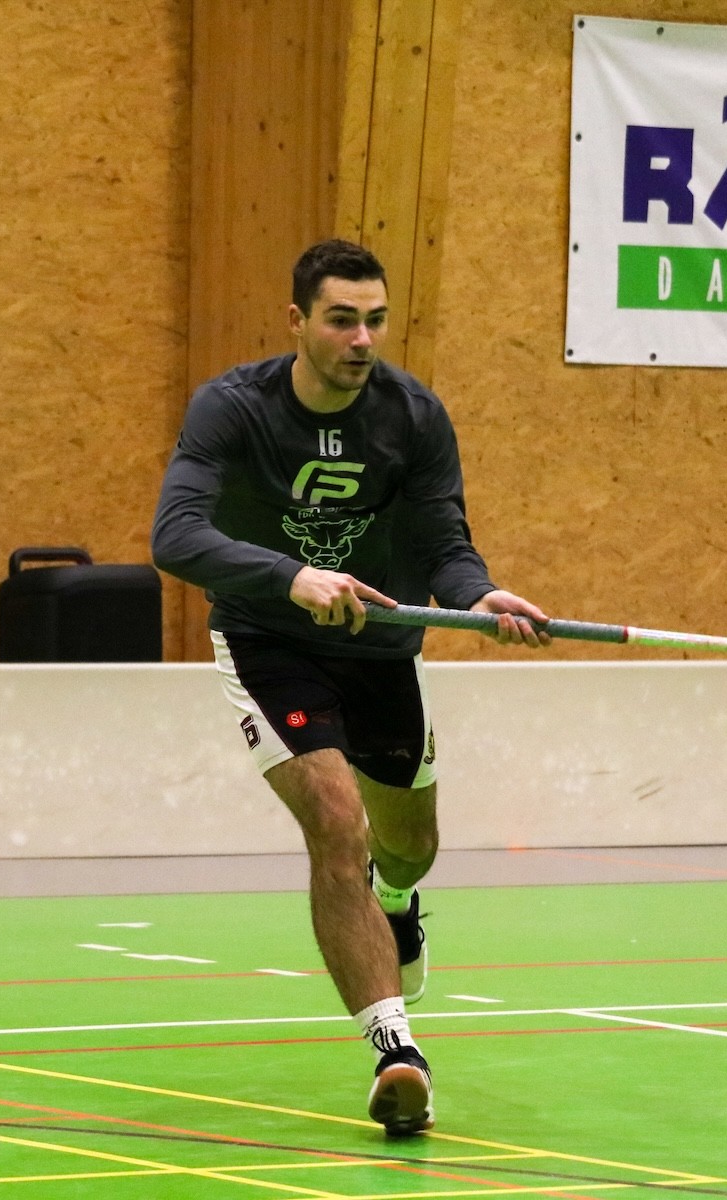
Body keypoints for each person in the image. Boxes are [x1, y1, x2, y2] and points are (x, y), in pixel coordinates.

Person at [151, 239, 548, 1136]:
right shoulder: (232, 409)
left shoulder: (414, 417)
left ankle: (398, 904)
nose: (362, 338)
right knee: (337, 823)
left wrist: (478, 595)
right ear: (298, 322)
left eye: (375, 320)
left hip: (382, 650)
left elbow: (444, 542)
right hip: (269, 641)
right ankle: (396, 1050)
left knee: (407, 850)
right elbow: (175, 536)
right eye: (341, 319)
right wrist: (291, 576)